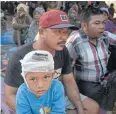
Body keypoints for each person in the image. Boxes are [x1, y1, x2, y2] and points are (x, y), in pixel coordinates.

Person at [5, 10, 99, 114]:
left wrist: (80, 108)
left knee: (92, 108)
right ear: (41, 32)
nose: (64, 37)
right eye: (57, 31)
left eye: (66, 32)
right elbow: (10, 96)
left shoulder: (62, 51)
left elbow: (69, 81)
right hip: (31, 100)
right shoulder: (20, 57)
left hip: (55, 95)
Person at [66, 7, 116, 111]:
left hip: (105, 80)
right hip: (87, 85)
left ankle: (108, 108)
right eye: (97, 23)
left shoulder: (104, 36)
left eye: (103, 22)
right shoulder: (74, 42)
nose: (102, 27)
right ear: (84, 26)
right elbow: (66, 72)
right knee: (93, 96)